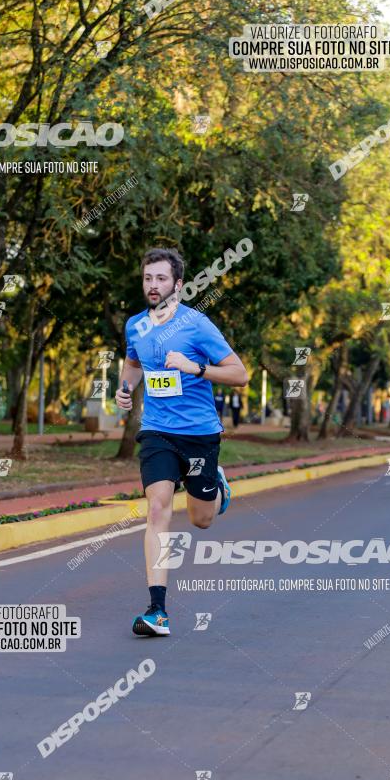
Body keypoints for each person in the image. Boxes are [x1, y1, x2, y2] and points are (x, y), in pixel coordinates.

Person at [115, 247, 248, 636]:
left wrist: (197, 368)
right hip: (156, 431)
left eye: (160, 278)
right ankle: (158, 610)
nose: (152, 286)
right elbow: (133, 365)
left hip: (199, 434)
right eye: (147, 278)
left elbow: (239, 374)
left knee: (200, 519)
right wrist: (124, 389)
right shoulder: (135, 326)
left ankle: (216, 483)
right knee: (157, 509)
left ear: (178, 284)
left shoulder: (198, 325)